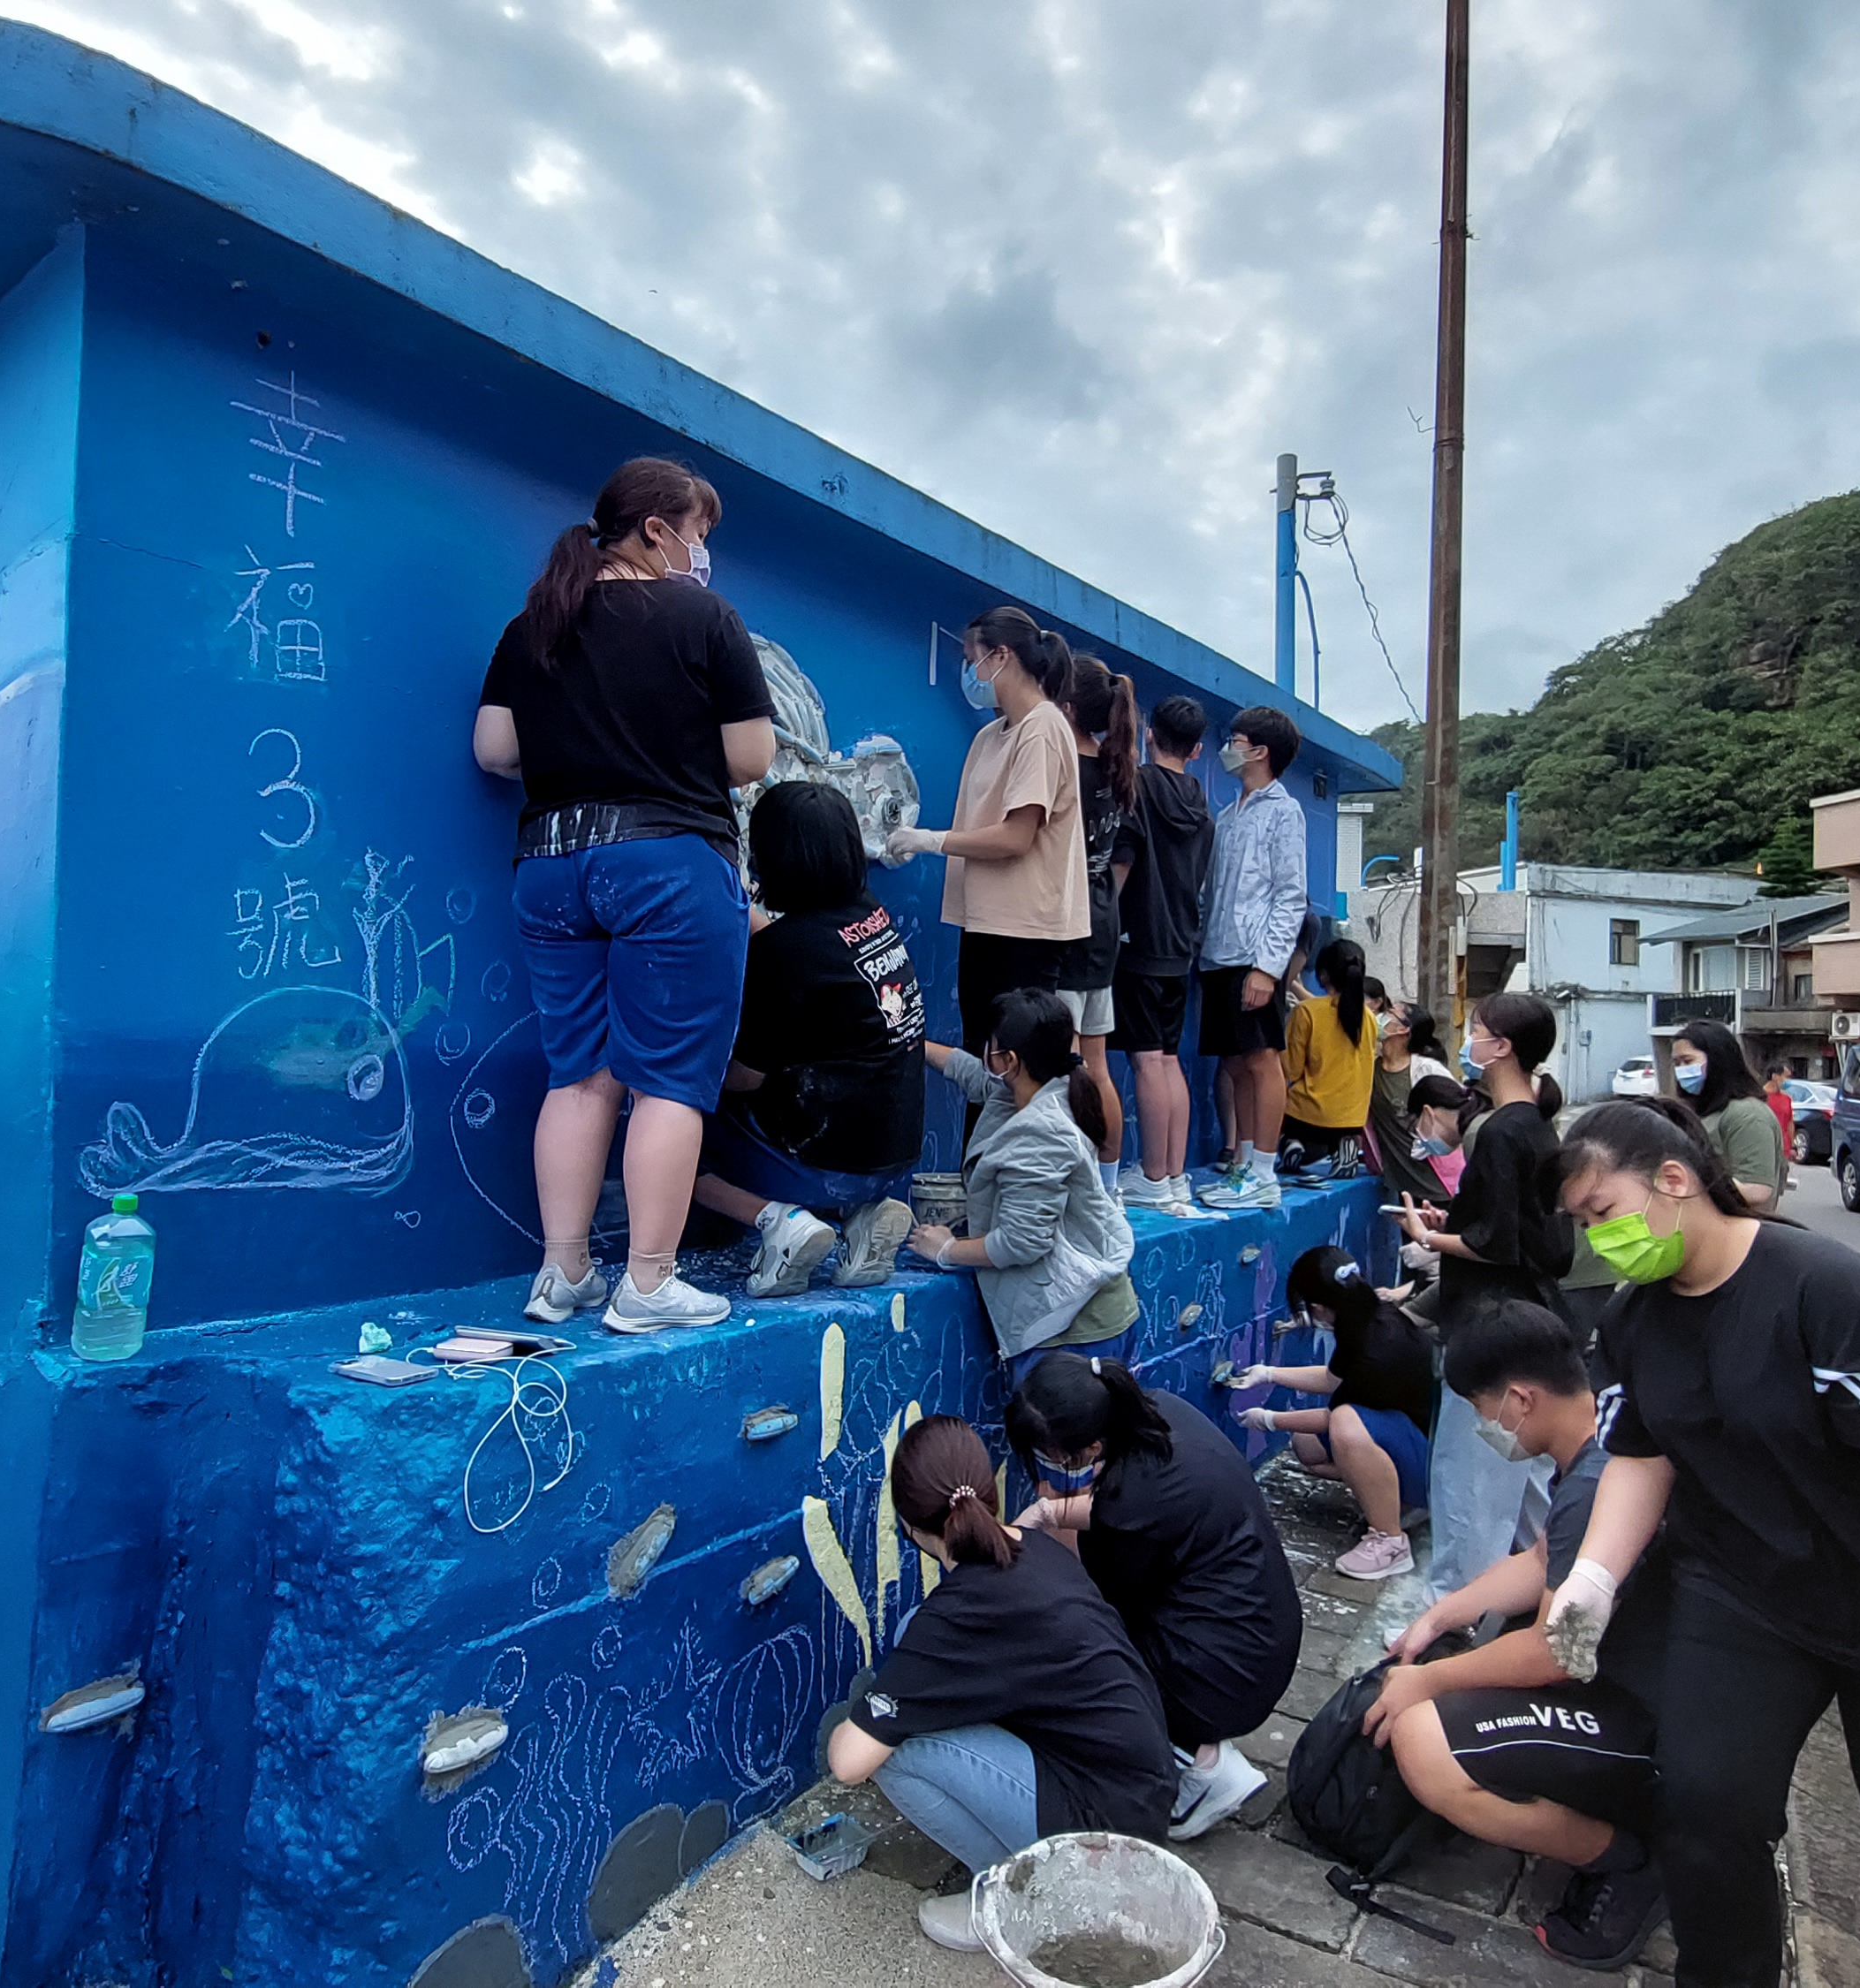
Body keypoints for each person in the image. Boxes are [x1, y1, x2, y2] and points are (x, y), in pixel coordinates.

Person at [1542, 1099, 1860, 1988]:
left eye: (1602, 1214)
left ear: (1673, 1181)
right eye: (1584, 1225)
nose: (1599, 1240)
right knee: (1705, 1806)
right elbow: (1641, 1456)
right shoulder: (1634, 1322)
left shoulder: (1831, 1291)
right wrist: (1592, 1576)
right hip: (1745, 1592)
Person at [475, 458, 777, 1333]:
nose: (700, 552)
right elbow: (753, 759)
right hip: (666, 861)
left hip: (550, 866)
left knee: (578, 1076)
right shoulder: (701, 617)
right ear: (657, 529)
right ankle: (647, 1284)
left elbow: (494, 750)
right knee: (673, 1081)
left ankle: (561, 1274)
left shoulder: (535, 623)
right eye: (698, 534)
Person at [1370, 1295, 1673, 1971]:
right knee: (1472, 1650)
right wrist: (1441, 1616)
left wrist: (1428, 1677)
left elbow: (1554, 1651)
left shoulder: (1598, 1480)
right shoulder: (1596, 1445)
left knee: (1424, 1738)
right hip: (1621, 1684)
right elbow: (1540, 1561)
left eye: (1483, 1411)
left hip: (1652, 1723)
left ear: (1519, 1399)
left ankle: (1633, 1859)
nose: (1486, 1428)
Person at [827, 1415, 1180, 1954]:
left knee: (892, 1753)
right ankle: (1035, 1873)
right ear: (989, 1493)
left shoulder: (956, 1617)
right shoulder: (1035, 1548)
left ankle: (1018, 1897)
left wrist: (858, 1720)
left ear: (910, 1527)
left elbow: (848, 1764)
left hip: (1105, 1845)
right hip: (1139, 1790)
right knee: (907, 1645)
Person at [1009, 1352, 1302, 1840]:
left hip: (1226, 1680)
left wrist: (1035, 1546)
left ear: (1087, 1450)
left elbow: (1097, 1609)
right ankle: (1195, 1747)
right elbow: (1130, 1509)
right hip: (1263, 1632)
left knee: (1064, 1656)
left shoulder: (1132, 1502)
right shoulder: (1159, 1413)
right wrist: (1052, 1513)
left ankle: (1201, 1765)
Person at [689, 781, 922, 1297]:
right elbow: (793, 944)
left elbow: (744, 1077)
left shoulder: (785, 955)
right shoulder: (868, 911)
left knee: (676, 1134)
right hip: (892, 1153)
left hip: (827, 1161)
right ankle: (864, 1219)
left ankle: (781, 1221)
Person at [1392, 991, 1578, 1593]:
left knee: (1468, 1484)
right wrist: (1456, 1227)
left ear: (1502, 1047)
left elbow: (1495, 1241)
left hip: (1489, 1328)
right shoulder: (1535, 1127)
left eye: (1476, 1030)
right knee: (1526, 1486)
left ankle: (1454, 1615)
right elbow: (1529, 1236)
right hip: (1529, 1321)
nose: (1468, 1040)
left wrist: (1429, 1236)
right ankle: (1553, 1594)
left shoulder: (1499, 1132)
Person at [910, 990, 1137, 1379]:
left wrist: (946, 1249)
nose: (984, 1054)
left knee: (1062, 1440)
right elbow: (970, 1073)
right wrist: (913, 1046)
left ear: (1010, 1061)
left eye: (990, 1047)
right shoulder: (1041, 1086)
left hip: (1072, 1331)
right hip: (1089, 1317)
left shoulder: (1041, 1132)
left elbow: (1022, 1242)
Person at [884, 605, 1085, 1043]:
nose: (969, 672)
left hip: (1024, 933)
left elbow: (1016, 837)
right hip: (985, 922)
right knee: (983, 1060)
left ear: (1001, 657)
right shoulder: (991, 735)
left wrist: (931, 841)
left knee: (1013, 1069)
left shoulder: (1044, 728)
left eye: (972, 659)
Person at [1238, 1244, 1443, 1579]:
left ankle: (1390, 1540)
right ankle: (1399, 1500)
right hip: (1413, 1438)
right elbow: (1333, 1379)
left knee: (1346, 1424)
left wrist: (1268, 1420)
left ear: (1318, 1308)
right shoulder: (1371, 1319)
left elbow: (1335, 1418)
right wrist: (1269, 1372)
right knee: (1306, 1444)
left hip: (1433, 1469)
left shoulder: (1378, 1350)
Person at [1192, 707, 1308, 1211]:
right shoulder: (1229, 813)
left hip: (1254, 957)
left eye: (1236, 739)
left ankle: (1264, 1171)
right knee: (1235, 1063)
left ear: (1260, 751)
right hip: (1218, 954)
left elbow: (1291, 895)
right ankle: (1240, 1165)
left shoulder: (1285, 811)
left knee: (1263, 1061)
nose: (1229, 747)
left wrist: (1268, 967)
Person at [1112, 697, 1218, 1217]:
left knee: (1146, 1060)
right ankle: (1171, 1176)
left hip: (1138, 943)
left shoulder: (1137, 789)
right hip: (1181, 946)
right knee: (1169, 1059)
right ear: (1197, 750)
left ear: (1149, 734)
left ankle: (1152, 1176)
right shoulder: (1202, 808)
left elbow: (1122, 864)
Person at [1055, 656, 1140, 1182]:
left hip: (1066, 926)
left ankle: (1071, 1183)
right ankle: (1107, 1183)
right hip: (1104, 923)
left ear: (1065, 707)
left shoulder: (1067, 768)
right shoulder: (1115, 767)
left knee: (1064, 1070)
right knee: (1098, 1064)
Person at [1281, 937, 1380, 1170]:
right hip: (1352, 1118)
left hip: (1307, 1116)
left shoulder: (1307, 1012)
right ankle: (1343, 1146)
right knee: (1338, 1130)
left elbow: (1292, 1069)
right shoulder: (1369, 1019)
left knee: (1273, 1097)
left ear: (1323, 975)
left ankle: (1291, 1143)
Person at [1668, 1019, 1785, 1207]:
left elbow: (1756, 1189)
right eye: (1677, 1063)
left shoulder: (1747, 1115)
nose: (1682, 1070)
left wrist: (1683, 1190)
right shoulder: (1702, 1111)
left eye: (1688, 1061)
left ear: (1718, 1060)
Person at [1367, 1004, 1459, 1207]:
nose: (1380, 1016)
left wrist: (1427, 1141)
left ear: (1403, 1029)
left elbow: (1461, 1109)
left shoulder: (1426, 1070)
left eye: (1389, 1012)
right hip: (1404, 1186)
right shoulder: (1371, 1069)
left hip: (1438, 1186)